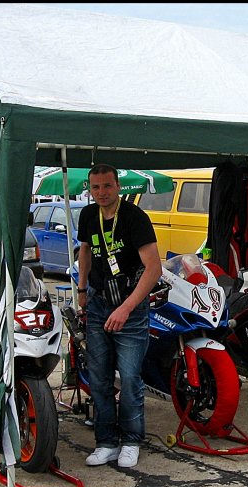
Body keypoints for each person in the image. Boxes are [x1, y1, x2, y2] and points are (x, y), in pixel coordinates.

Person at [76, 164, 161, 469]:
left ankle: (131, 440)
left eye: (107, 186)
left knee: (129, 377)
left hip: (131, 306)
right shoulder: (88, 215)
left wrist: (126, 308)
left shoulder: (134, 217)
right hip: (98, 304)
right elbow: (85, 251)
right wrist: (82, 288)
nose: (101, 193)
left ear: (118, 187)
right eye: (96, 187)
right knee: (99, 377)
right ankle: (106, 442)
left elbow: (154, 268)